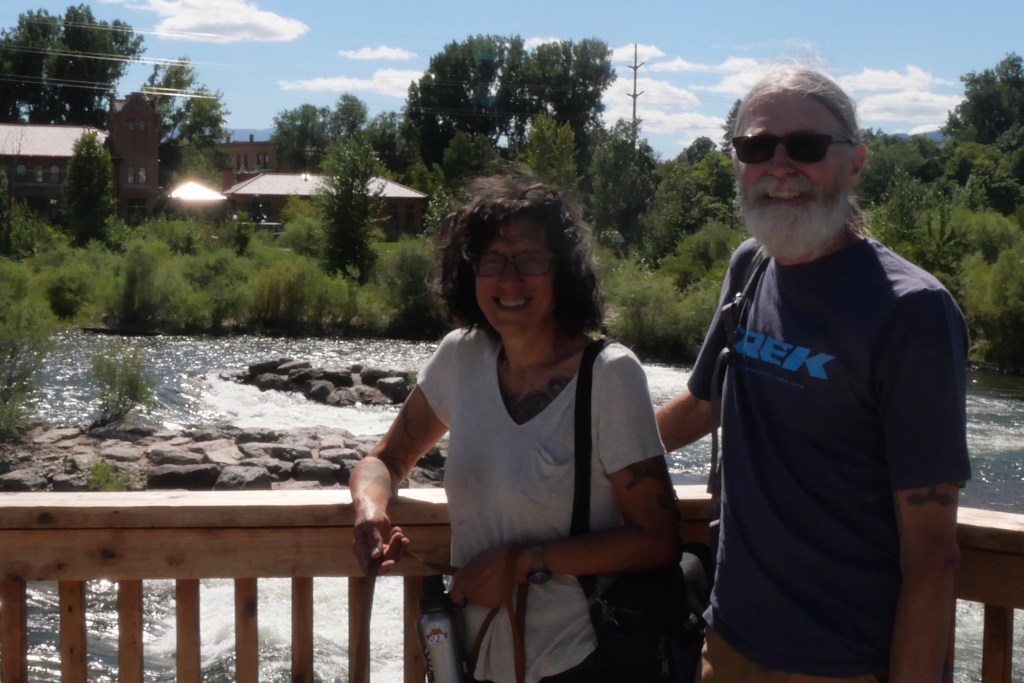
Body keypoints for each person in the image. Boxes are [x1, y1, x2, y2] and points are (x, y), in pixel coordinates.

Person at [656, 66, 971, 683]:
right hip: (729, 639)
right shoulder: (751, 266)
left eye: (805, 146)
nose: (779, 166)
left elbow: (933, 556)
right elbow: (702, 404)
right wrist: (577, 454)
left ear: (854, 163)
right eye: (755, 146)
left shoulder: (911, 312)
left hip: (844, 662)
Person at [351, 174, 681, 683]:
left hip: (580, 659)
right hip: (473, 655)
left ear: (562, 272)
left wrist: (524, 561)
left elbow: (658, 539)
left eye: (530, 260)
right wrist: (370, 509)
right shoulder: (461, 356)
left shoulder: (609, 374)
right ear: (469, 272)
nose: (509, 280)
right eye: (491, 262)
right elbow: (387, 460)